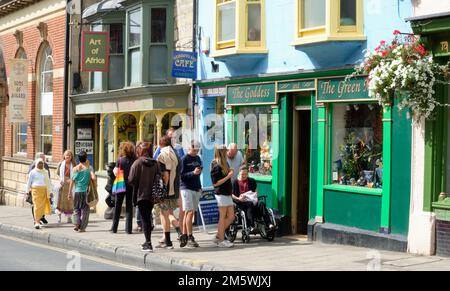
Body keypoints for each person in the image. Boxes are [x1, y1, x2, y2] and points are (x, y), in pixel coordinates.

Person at [153, 127, 185, 240]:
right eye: (171, 136)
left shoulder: (175, 150)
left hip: (169, 187)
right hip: (175, 186)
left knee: (166, 213)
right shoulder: (171, 152)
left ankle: (177, 232)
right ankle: (167, 236)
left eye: (174, 136)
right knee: (168, 212)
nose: (173, 138)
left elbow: (161, 171)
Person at [128, 142, 159, 252]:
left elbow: (131, 180)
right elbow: (158, 177)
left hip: (140, 194)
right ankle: (147, 241)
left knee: (145, 218)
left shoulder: (137, 163)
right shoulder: (155, 163)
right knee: (147, 216)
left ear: (140, 151)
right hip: (152, 195)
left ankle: (148, 243)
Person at [157, 135, 182, 249]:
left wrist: (162, 190)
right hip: (175, 189)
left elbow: (165, 175)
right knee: (169, 214)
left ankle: (168, 242)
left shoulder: (163, 155)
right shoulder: (176, 154)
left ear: (161, 144)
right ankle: (176, 234)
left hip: (166, 190)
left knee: (164, 215)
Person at [232, 166, 274, 231]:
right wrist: (238, 198)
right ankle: (251, 225)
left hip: (252, 200)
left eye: (246, 174)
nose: (244, 176)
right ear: (239, 173)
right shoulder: (235, 182)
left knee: (261, 203)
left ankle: (269, 224)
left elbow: (256, 190)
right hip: (241, 202)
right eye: (242, 174)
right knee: (249, 204)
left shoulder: (251, 181)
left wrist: (255, 195)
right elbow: (232, 194)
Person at [210, 144, 235, 248]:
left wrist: (230, 171)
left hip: (227, 192)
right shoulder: (215, 164)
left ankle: (218, 235)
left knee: (231, 216)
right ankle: (221, 239)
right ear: (221, 152)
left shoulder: (225, 162)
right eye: (225, 151)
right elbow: (215, 183)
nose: (227, 152)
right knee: (223, 216)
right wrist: (228, 176)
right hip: (221, 193)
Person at [179, 140, 202, 248]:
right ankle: (190, 236)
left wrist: (199, 187)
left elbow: (198, 173)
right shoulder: (184, 159)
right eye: (194, 149)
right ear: (189, 148)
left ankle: (184, 235)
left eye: (197, 149)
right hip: (186, 188)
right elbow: (181, 176)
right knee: (189, 212)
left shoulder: (198, 158)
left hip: (195, 188)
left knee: (190, 212)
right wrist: (192, 173)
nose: (196, 151)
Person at [111, 142, 137, 234]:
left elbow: (116, 172)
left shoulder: (120, 160)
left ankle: (114, 228)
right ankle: (128, 229)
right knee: (129, 207)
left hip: (121, 185)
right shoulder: (135, 160)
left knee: (117, 206)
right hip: (130, 185)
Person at [68, 151, 95, 232]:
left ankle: (76, 224)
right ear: (86, 158)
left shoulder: (75, 169)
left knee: (76, 209)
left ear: (78, 159)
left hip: (77, 192)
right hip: (86, 192)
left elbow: (72, 181)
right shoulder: (89, 168)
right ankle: (82, 227)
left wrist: (69, 193)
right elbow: (93, 178)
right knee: (85, 210)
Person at [27, 159, 53, 229]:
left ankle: (38, 220)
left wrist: (50, 192)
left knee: (42, 207)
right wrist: (27, 190)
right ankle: (37, 222)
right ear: (36, 164)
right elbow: (29, 182)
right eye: (39, 163)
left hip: (44, 190)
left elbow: (48, 182)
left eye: (42, 164)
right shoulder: (32, 172)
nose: (41, 165)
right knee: (36, 206)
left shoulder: (45, 172)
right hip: (35, 190)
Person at [55, 150, 76, 223]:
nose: (68, 157)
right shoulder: (61, 164)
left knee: (69, 201)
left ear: (71, 157)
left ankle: (69, 217)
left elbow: (76, 174)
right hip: (62, 185)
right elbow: (57, 173)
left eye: (69, 155)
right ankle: (59, 217)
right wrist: (60, 179)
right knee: (60, 201)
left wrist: (72, 180)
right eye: (66, 155)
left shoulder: (73, 164)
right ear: (64, 156)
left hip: (70, 185)